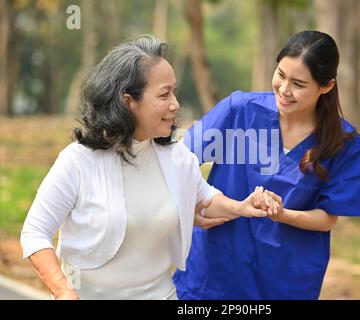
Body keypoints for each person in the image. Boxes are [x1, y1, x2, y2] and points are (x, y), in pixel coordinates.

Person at [20, 35, 277, 300]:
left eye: (174, 92)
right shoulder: (77, 161)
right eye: (164, 94)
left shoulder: (177, 157)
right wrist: (63, 291)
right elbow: (35, 233)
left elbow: (204, 198)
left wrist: (243, 206)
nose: (175, 104)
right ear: (128, 101)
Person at [173, 30, 360, 300]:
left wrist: (282, 214)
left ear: (327, 86)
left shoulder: (344, 143)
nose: (285, 90)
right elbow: (179, 162)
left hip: (285, 277)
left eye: (299, 84)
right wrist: (196, 206)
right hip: (216, 270)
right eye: (281, 74)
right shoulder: (239, 110)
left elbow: (327, 218)